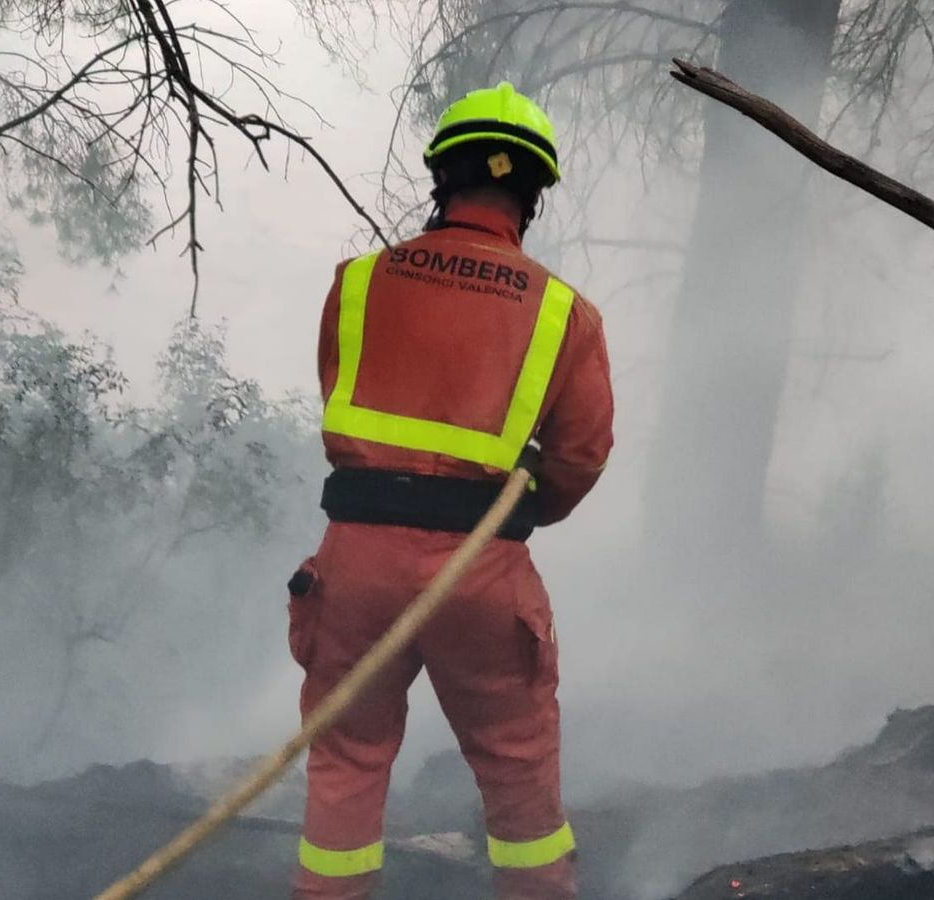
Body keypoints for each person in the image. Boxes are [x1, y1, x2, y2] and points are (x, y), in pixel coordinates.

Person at [287, 82, 615, 899]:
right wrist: (517, 511)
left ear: (442, 177)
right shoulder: (565, 313)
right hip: (481, 563)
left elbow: (342, 392)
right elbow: (579, 454)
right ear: (531, 192)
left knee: (346, 759)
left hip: (355, 561)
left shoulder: (357, 282)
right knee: (516, 770)